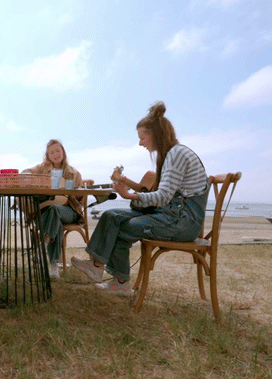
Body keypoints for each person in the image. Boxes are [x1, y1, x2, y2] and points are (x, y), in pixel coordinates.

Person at [71, 101, 209, 296]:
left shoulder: (176, 155)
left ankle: (118, 281)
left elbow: (162, 197)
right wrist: (132, 193)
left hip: (182, 223)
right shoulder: (171, 154)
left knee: (122, 227)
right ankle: (98, 266)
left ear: (156, 135)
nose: (140, 143)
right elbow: (164, 196)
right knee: (111, 216)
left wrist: (129, 195)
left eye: (142, 138)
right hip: (173, 216)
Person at [22, 139, 86, 280]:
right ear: (48, 156)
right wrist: (25, 173)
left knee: (55, 210)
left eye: (58, 150)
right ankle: (53, 266)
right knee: (54, 216)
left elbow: (80, 200)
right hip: (49, 211)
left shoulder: (74, 173)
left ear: (63, 152)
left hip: (69, 211)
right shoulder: (43, 168)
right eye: (52, 152)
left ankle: (43, 246)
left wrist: (79, 193)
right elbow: (30, 171)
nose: (55, 154)